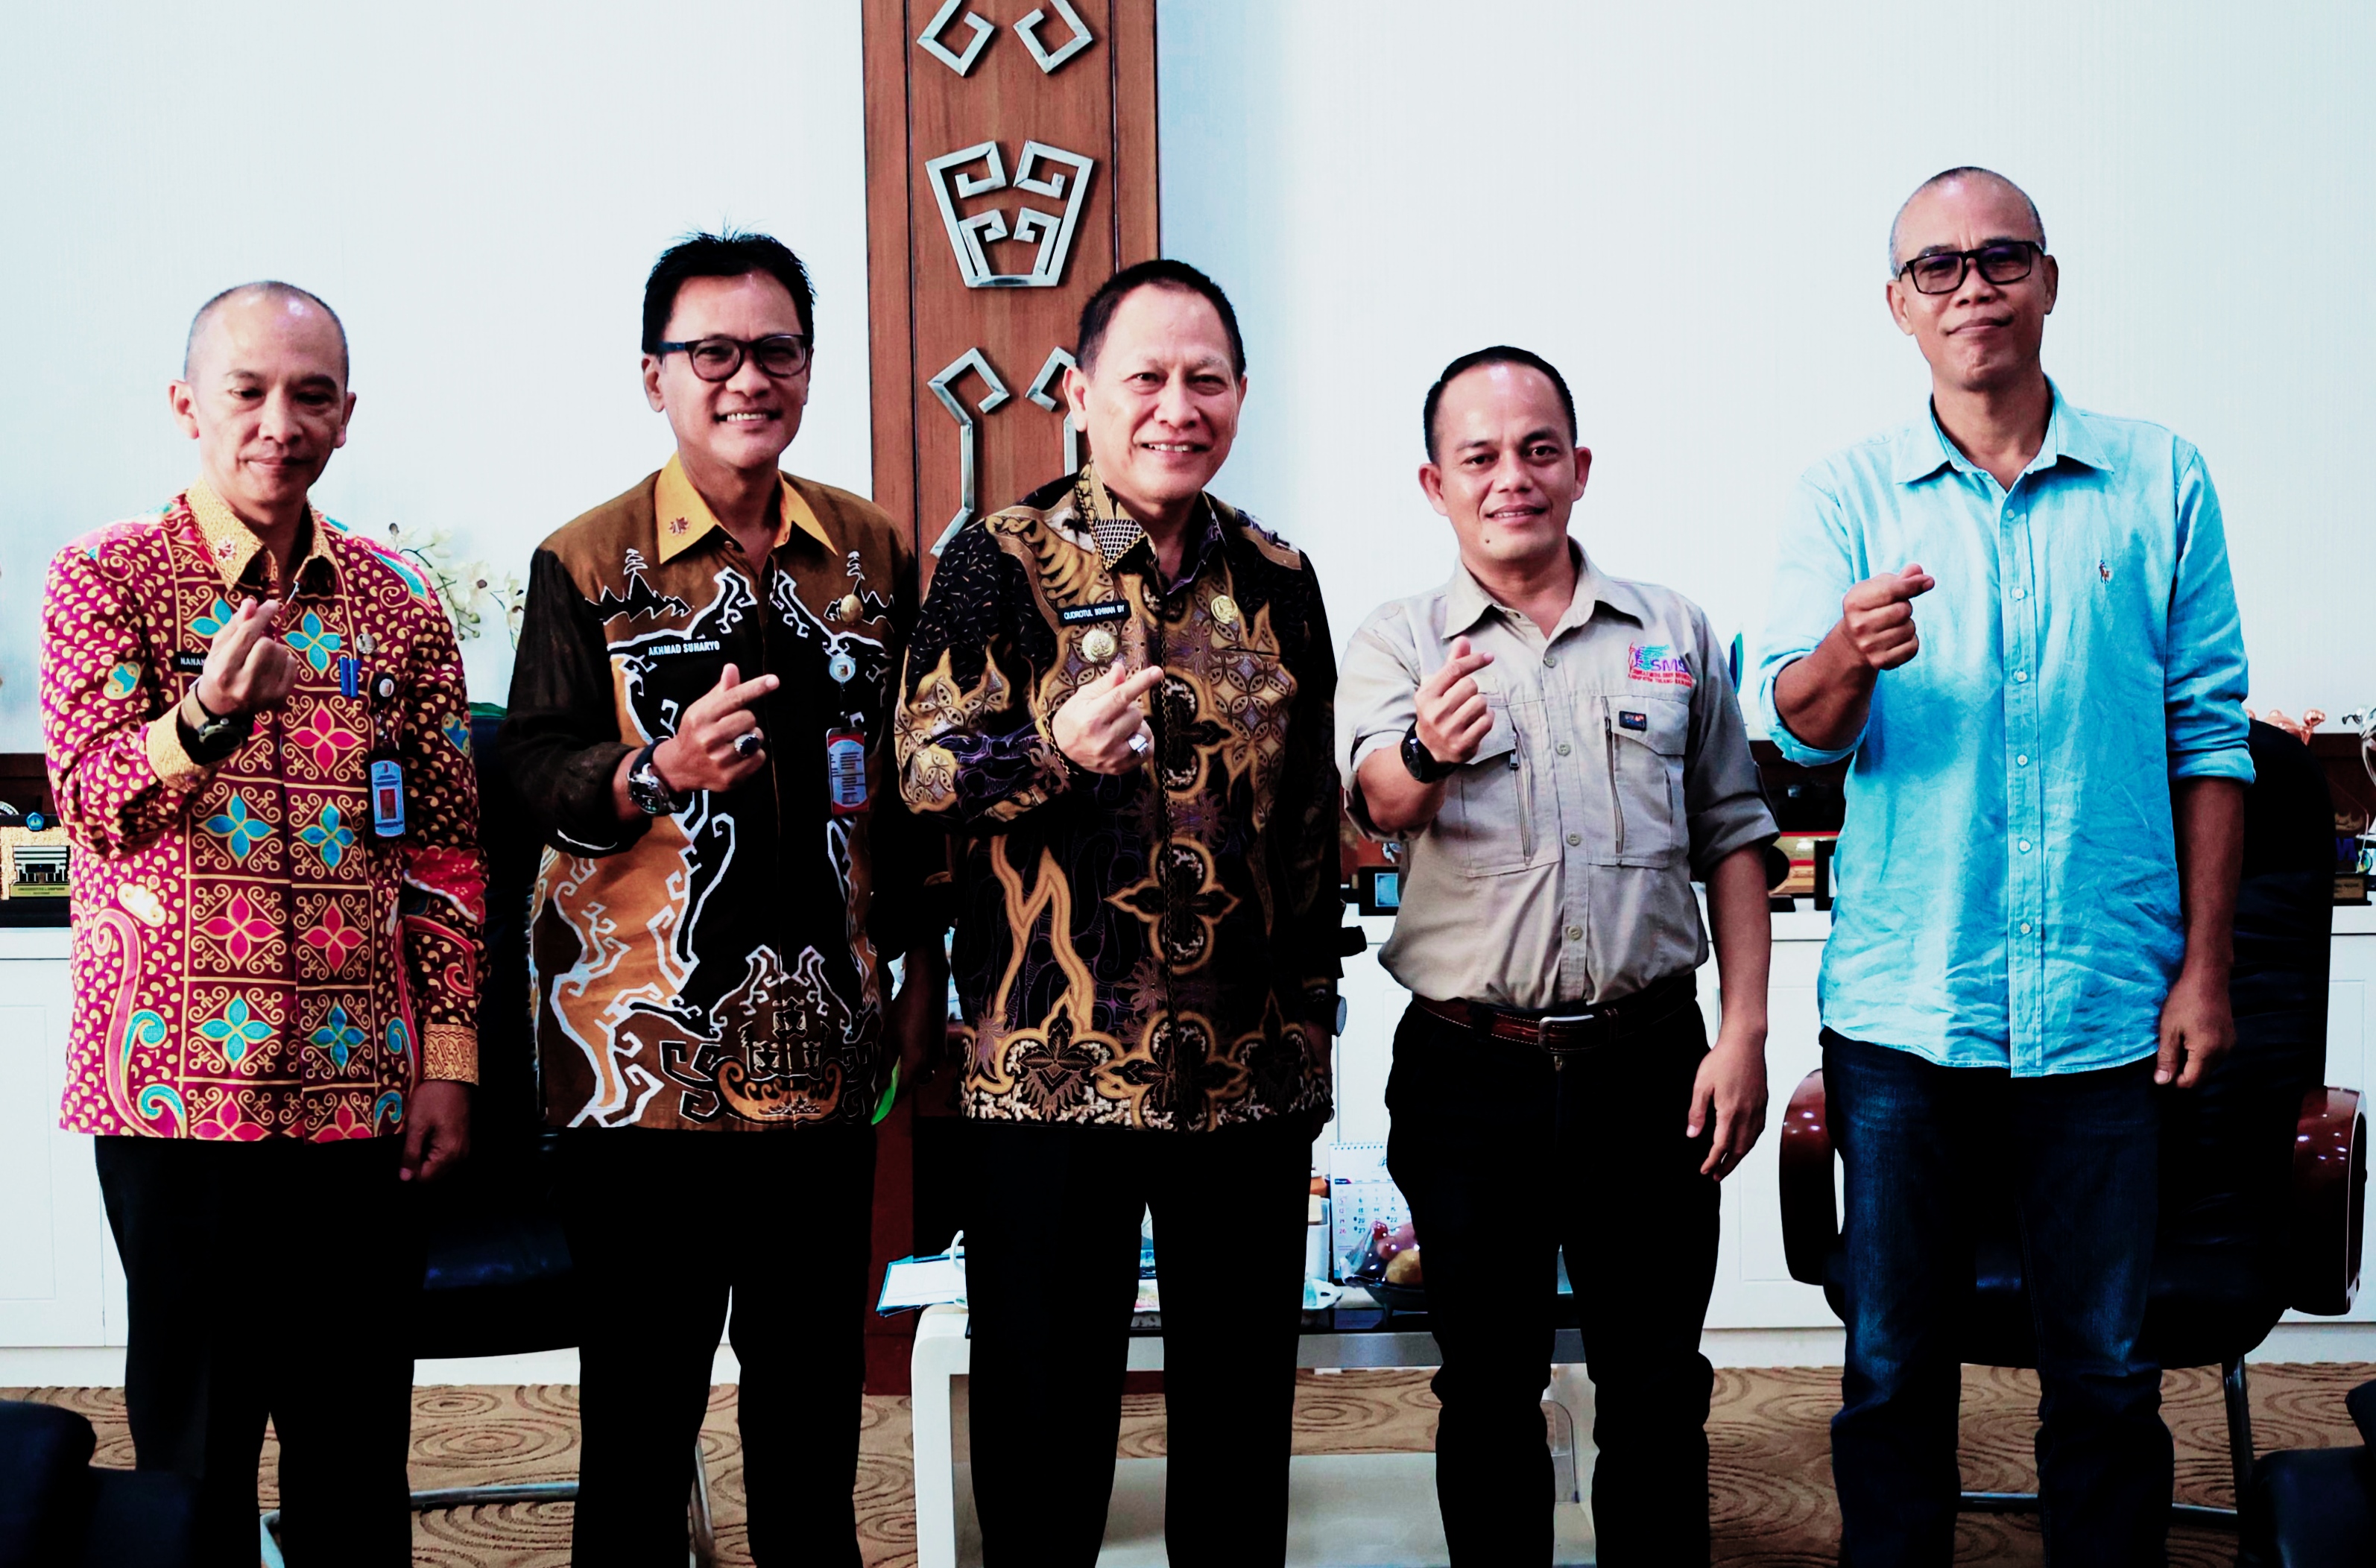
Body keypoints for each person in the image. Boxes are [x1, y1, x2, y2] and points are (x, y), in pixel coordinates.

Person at [1757, 167, 2252, 1566]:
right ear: (1899, 305)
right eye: (1938, 266)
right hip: (1907, 1011)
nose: (1971, 286)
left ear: (2048, 280)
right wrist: (1847, 653)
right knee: (1892, 1372)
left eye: (2001, 258)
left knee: (2106, 1372)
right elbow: (1794, 723)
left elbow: (2211, 736)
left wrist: (2207, 971)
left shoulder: (2160, 478)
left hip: (2105, 1005)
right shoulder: (1846, 496)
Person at [499, 230, 942, 1567]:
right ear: (656, 376)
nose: (748, 378)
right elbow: (532, 768)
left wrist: (921, 969)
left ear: (807, 365)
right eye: (713, 353)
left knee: (811, 1413)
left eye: (776, 350)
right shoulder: (587, 560)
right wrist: (656, 770)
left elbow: (909, 783)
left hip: (826, 1051)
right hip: (639, 1063)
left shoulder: (871, 552)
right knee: (642, 1422)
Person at [893, 258, 1340, 1567]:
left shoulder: (1280, 576)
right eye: (1146, 377)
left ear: (1242, 395)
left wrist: (1315, 1028)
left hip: (1248, 1075)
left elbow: (1309, 824)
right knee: (1044, 1435)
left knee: (1240, 1432)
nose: (1176, 407)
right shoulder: (999, 558)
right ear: (1079, 395)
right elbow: (921, 773)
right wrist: (1050, 751)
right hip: (1049, 1073)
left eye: (1207, 380)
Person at [39, 281, 484, 1567]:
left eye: (311, 395)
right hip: (178, 1096)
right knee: (196, 1452)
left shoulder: (400, 602)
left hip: (362, 1091)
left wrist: (449, 1062)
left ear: (347, 415)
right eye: (248, 391)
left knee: (356, 1446)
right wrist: (204, 720)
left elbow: (446, 851)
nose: (278, 422)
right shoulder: (107, 576)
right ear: (189, 405)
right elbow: (92, 802)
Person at [1336, 345, 1778, 1564]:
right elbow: (1377, 800)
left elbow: (1736, 833)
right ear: (1435, 485)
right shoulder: (1398, 641)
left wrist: (1744, 1033)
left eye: (1538, 451)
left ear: (1579, 468)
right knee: (1488, 1388)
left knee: (1657, 1384)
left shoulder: (1670, 630)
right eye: (1479, 456)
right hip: (1470, 1074)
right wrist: (1425, 750)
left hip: (1654, 1063)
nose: (1512, 478)